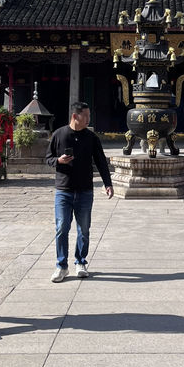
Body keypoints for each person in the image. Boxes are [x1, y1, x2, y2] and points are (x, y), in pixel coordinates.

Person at [45, 101, 113, 283]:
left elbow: (101, 162)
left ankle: (80, 261)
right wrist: (59, 161)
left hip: (84, 191)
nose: (89, 119)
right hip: (63, 190)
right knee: (61, 229)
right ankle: (61, 266)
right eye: (86, 116)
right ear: (75, 116)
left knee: (84, 229)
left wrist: (108, 183)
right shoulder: (59, 134)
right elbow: (48, 158)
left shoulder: (91, 138)